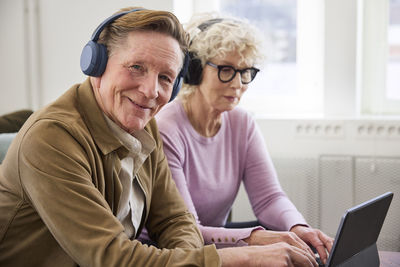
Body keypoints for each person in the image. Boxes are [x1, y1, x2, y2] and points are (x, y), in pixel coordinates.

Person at [0, 7, 318, 267]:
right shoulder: (52, 139)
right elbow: (112, 258)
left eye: (165, 77)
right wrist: (237, 256)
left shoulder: (143, 123)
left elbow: (175, 220)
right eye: (136, 67)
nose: (151, 91)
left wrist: (200, 256)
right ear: (95, 65)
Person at [154, 12, 333, 264]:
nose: (238, 83)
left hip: (216, 249)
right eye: (226, 70)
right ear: (193, 70)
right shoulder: (166, 129)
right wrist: (255, 239)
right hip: (172, 254)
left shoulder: (242, 122)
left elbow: (269, 198)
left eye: (246, 71)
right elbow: (185, 231)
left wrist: (297, 228)